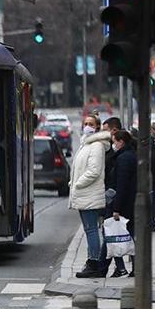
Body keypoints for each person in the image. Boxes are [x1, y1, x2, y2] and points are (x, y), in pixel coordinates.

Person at [69, 115, 110, 278]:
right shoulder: (85, 143)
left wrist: (78, 184)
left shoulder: (97, 145)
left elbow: (94, 171)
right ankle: (91, 261)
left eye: (90, 124)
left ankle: (94, 262)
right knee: (89, 229)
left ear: (97, 127)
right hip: (83, 194)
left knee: (92, 229)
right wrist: (72, 183)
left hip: (89, 194)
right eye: (85, 123)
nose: (87, 126)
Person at [101, 130, 137, 278]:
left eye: (114, 141)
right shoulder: (128, 156)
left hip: (123, 204)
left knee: (117, 235)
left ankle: (116, 267)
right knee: (121, 235)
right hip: (127, 202)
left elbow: (121, 185)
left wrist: (116, 208)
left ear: (121, 142)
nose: (113, 145)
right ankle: (121, 267)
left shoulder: (124, 159)